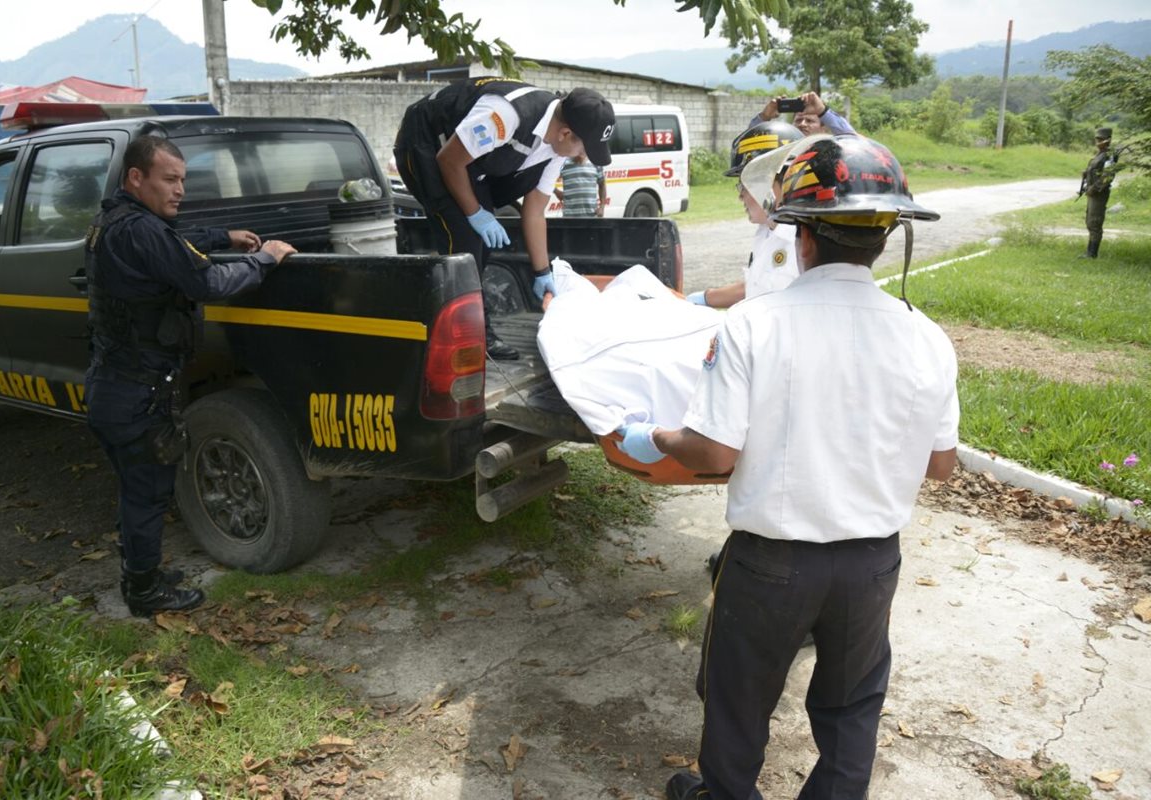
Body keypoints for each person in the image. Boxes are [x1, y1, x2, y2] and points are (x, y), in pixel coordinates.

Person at [618, 135, 959, 800]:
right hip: (871, 563)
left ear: (801, 237)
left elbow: (715, 453)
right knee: (851, 707)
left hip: (772, 562)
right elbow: (941, 465)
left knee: (738, 699)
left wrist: (655, 435)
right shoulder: (926, 337)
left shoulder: (756, 325)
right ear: (885, 239)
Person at [85, 135, 296, 618]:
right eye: (169, 180)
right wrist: (265, 259)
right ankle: (144, 592)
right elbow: (205, 282)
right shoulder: (140, 231)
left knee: (136, 488)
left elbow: (171, 244)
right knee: (147, 492)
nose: (179, 190)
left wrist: (225, 237)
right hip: (136, 391)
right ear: (136, 178)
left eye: (182, 179)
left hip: (113, 384)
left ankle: (142, 570)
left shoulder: (115, 221)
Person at [393, 77, 616, 359]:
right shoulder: (506, 115)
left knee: (481, 243)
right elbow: (449, 160)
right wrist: (476, 214)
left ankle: (469, 324)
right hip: (427, 143)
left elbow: (535, 209)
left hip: (469, 160)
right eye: (584, 148)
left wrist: (542, 271)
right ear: (565, 133)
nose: (582, 156)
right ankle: (467, 337)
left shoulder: (556, 147)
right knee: (463, 237)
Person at [686, 120, 803, 309]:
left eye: (745, 185)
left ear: (770, 183)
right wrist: (704, 298)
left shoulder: (802, 241)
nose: (740, 196)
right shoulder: (767, 231)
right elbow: (757, 286)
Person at [1080, 126, 1118, 259]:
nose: (1097, 141)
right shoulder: (1100, 154)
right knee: (1090, 221)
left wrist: (1094, 188)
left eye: (1100, 139)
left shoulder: (1109, 155)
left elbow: (1107, 176)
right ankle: (1089, 252)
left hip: (1099, 193)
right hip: (1092, 193)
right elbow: (1096, 170)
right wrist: (1086, 173)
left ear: (1107, 140)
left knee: (1095, 222)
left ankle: (1092, 253)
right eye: (1097, 139)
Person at [751, 91, 856, 137]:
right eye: (798, 120)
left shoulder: (830, 150)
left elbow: (852, 139)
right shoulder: (782, 150)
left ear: (824, 128)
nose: (802, 124)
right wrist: (764, 117)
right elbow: (749, 142)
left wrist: (823, 112)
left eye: (809, 121)